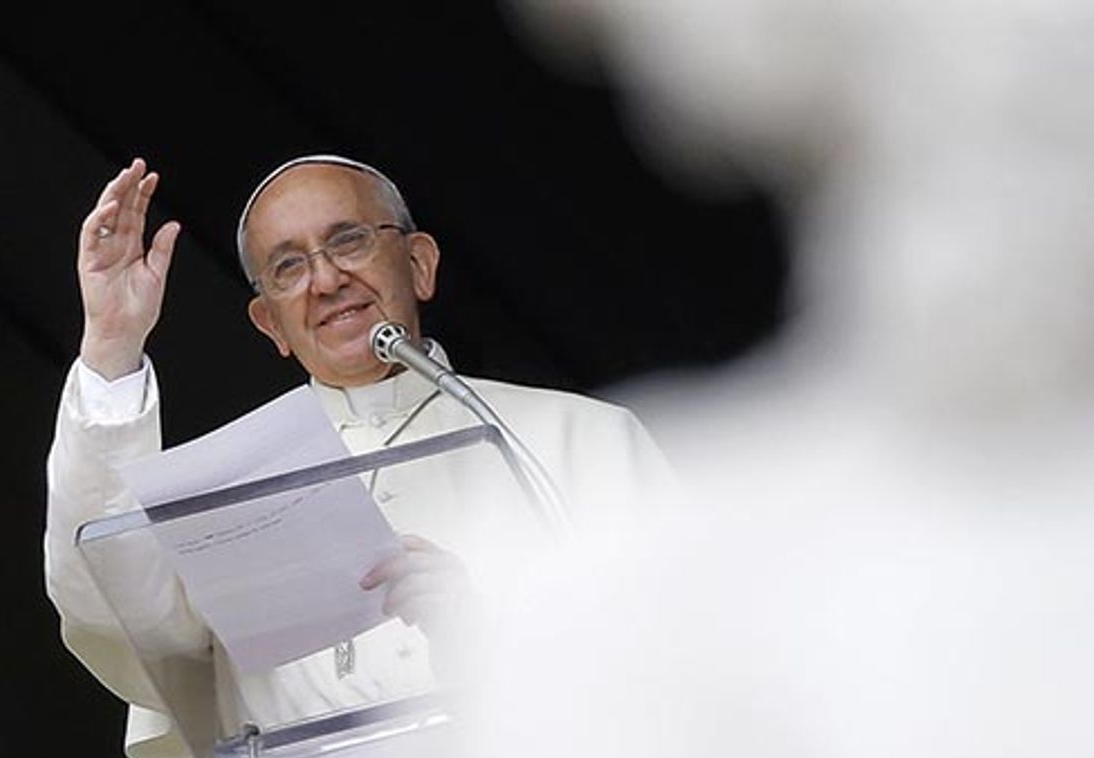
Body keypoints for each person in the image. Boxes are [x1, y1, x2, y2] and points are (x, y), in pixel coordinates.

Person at [45, 155, 678, 757]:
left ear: (420, 264)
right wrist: (111, 344)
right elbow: (119, 617)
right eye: (288, 267)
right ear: (271, 325)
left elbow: (687, 657)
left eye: (348, 242)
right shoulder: (230, 480)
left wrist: (488, 632)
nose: (325, 281)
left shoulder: (582, 439)